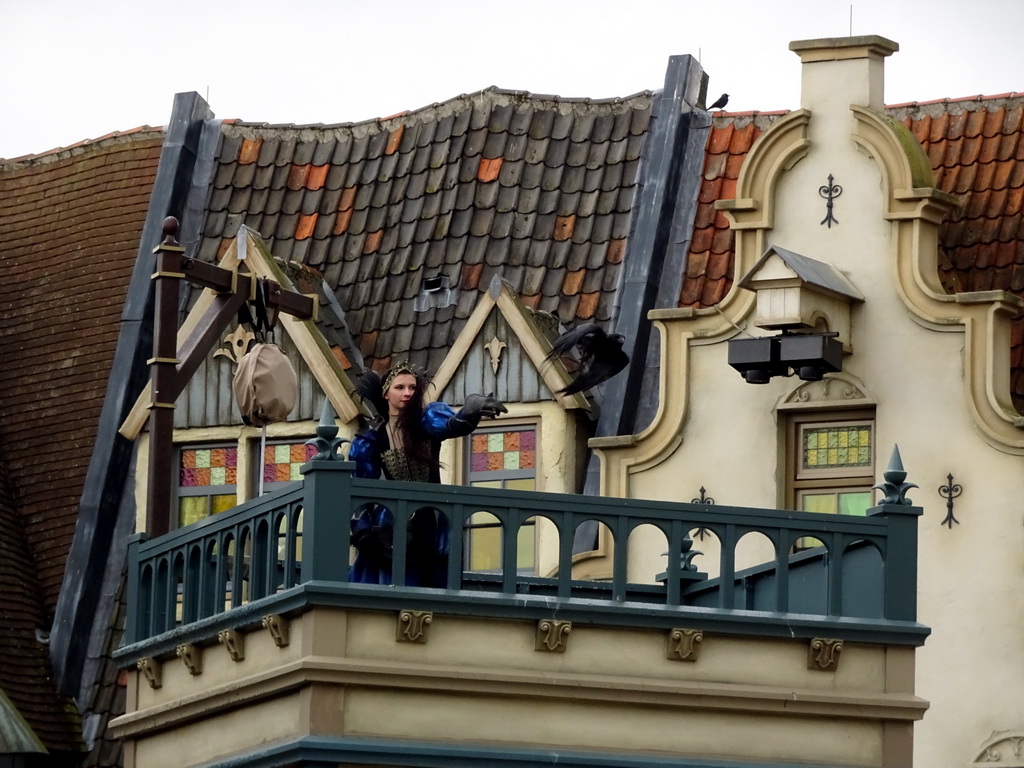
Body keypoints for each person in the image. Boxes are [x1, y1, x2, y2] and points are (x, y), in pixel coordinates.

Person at [348, 362, 506, 586]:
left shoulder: (426, 420)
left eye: (412, 388)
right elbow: (361, 493)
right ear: (386, 393)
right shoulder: (370, 441)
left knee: (435, 581)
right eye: (400, 387)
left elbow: (452, 425)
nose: (407, 393)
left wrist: (471, 409)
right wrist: (363, 533)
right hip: (393, 523)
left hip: (432, 517)